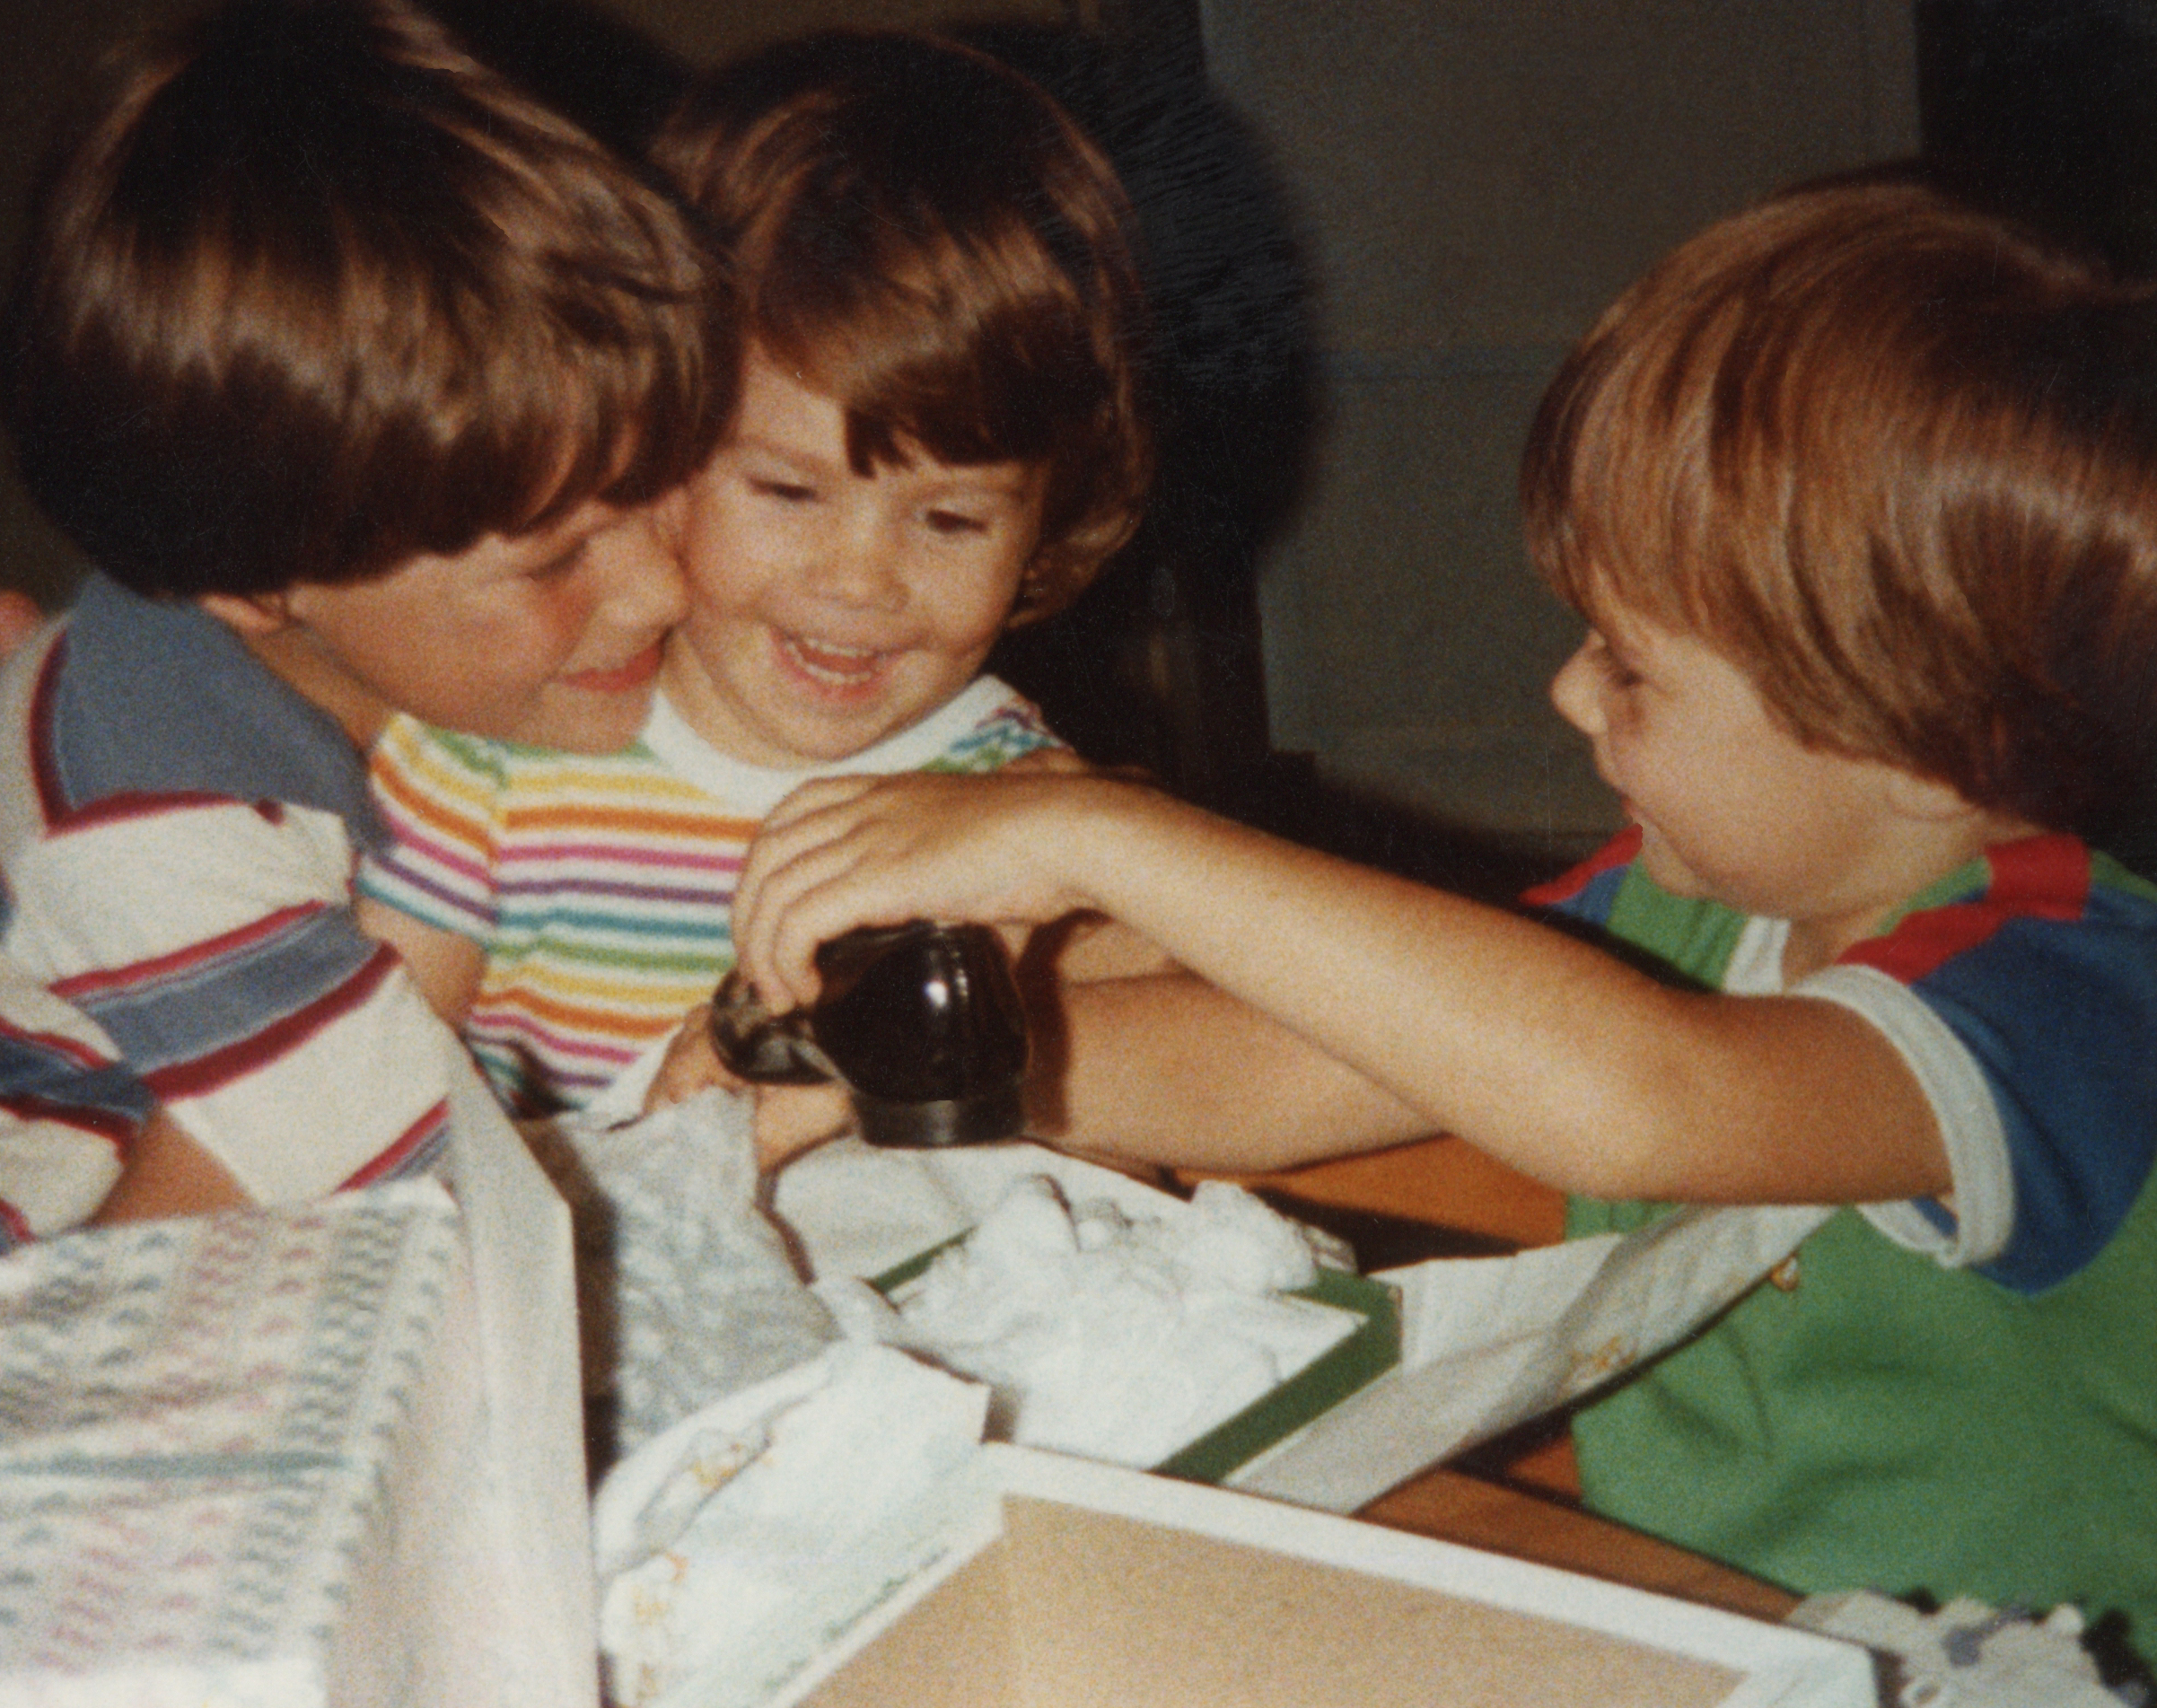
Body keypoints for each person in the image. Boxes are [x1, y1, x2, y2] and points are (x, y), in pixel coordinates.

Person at [723, 179, 2157, 1651]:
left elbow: (1643, 1102)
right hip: (1715, 1635)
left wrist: (1100, 832)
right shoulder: (1681, 909)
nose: (1570, 690)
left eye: (1631, 666)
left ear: (1926, 740)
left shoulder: (2070, 990)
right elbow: (1280, 1065)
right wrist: (874, 1074)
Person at [0, 0, 732, 1257]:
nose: (662, 586)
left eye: (662, 473)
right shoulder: (156, 835)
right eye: (557, 556)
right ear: (257, 575)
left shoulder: (315, 638)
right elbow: (380, 1203)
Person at [355, 30, 1154, 1117]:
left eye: (951, 519)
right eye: (787, 490)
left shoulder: (1011, 800)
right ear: (658, 447)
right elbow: (373, 1105)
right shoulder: (493, 743)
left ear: (1045, 525)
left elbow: (1135, 1096)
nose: (860, 581)